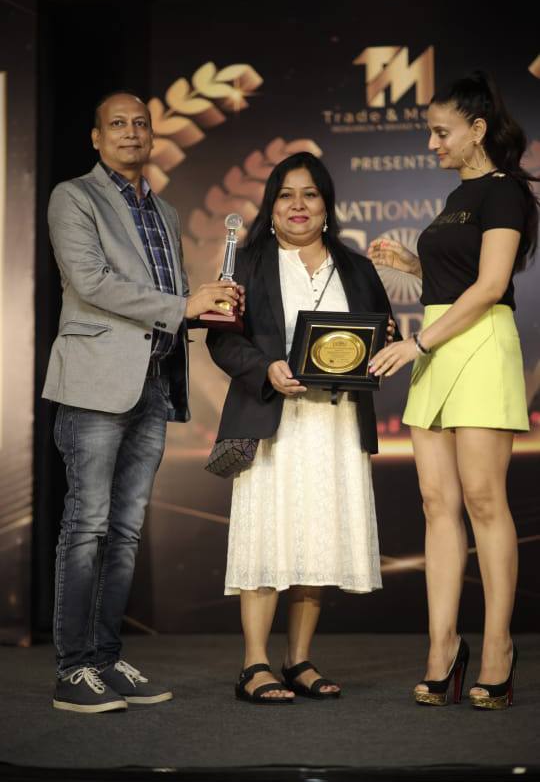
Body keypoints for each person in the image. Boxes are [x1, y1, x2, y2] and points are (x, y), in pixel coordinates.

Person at [43, 91, 243, 713]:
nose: (130, 133)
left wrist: (209, 307)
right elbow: (91, 283)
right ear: (96, 137)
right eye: (117, 124)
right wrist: (183, 304)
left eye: (140, 124)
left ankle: (105, 658)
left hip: (153, 385)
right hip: (95, 385)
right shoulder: (73, 197)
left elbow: (170, 298)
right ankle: (73, 669)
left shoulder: (164, 210)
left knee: (125, 532)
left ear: (152, 136)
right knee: (88, 526)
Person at [367, 71, 538, 710]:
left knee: (484, 501)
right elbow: (459, 277)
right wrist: (414, 266)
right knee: (437, 503)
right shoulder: (459, 195)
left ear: (477, 130)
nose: (432, 143)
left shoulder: (505, 191)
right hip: (441, 345)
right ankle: (443, 649)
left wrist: (417, 344)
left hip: (478, 346)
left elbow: (491, 287)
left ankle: (497, 649)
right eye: (430, 133)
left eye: (442, 132)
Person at [207, 152, 397, 703]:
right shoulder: (245, 264)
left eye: (309, 194)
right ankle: (254, 664)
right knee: (266, 538)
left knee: (318, 538)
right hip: (273, 421)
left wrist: (376, 343)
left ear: (326, 205)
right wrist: (265, 368)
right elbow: (222, 339)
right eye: (286, 194)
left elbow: (379, 332)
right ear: (271, 206)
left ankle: (299, 660)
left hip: (335, 423)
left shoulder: (356, 268)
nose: (298, 205)